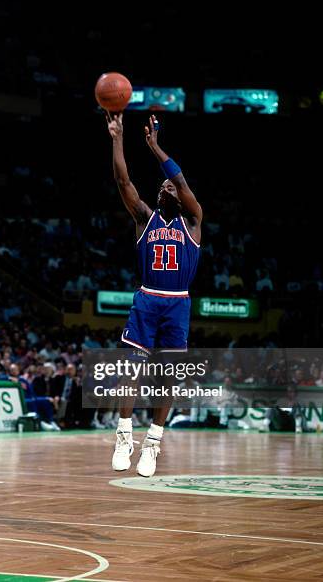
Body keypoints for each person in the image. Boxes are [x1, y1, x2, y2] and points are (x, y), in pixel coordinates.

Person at [106, 112, 202, 477]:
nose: (167, 186)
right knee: (131, 368)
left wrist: (156, 147)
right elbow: (122, 179)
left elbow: (180, 178)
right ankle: (124, 435)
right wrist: (118, 136)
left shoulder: (192, 221)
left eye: (172, 187)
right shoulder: (145, 219)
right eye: (163, 186)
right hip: (147, 298)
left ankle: (153, 443)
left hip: (177, 302)